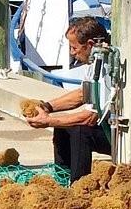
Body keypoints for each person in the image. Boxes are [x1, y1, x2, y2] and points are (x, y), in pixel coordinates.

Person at [26, 16, 112, 183]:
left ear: (91, 45)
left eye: (74, 47)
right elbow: (82, 94)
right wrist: (47, 106)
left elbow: (90, 118)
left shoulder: (107, 68)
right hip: (106, 127)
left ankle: (79, 184)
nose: (72, 52)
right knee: (63, 127)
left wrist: (49, 121)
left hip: (116, 135)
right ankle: (62, 176)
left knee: (80, 130)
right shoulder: (94, 64)